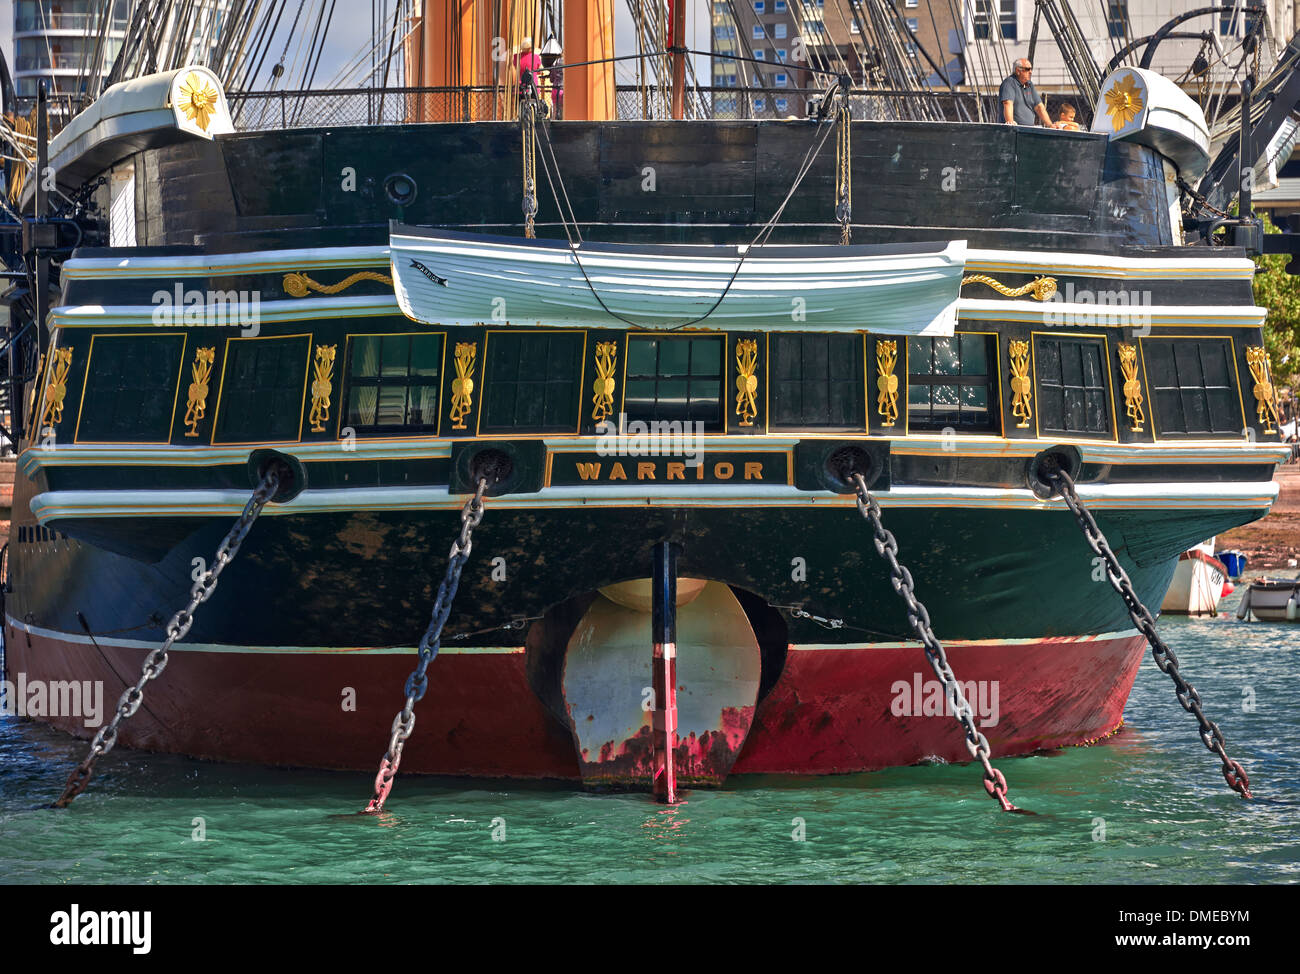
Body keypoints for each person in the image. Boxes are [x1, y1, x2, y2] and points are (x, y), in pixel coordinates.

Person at [1000, 58, 1051, 127]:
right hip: (1015, 132)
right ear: (1018, 71)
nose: (1030, 72)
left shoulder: (1029, 85)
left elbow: (1039, 107)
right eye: (1027, 69)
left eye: (1031, 69)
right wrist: (1010, 123)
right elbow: (1007, 103)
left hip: (1028, 130)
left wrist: (1050, 125)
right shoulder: (1009, 83)